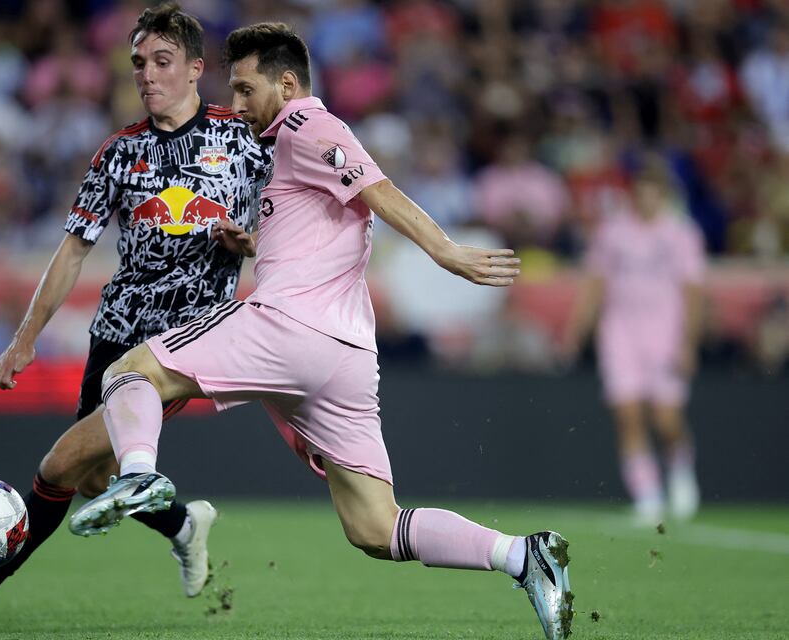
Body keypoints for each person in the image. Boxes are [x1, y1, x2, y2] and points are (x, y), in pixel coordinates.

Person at [68, 23, 572, 640]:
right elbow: (328, 223)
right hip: (345, 354)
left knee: (130, 373)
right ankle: (524, 556)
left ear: (287, 82)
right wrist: (254, 243)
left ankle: (139, 474)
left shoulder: (310, 124)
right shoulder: (285, 144)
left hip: (288, 328)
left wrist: (446, 252)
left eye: (248, 90)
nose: (239, 104)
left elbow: (378, 189)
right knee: (374, 528)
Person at [0, 4, 270, 631]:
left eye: (162, 62)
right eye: (138, 64)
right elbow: (73, 249)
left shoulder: (243, 140)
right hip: (114, 334)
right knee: (95, 477)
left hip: (175, 346)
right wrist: (24, 340)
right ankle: (184, 523)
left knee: (60, 465)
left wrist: (254, 239)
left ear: (196, 69)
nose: (147, 75)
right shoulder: (119, 152)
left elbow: (288, 216)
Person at [563, 159, 705, 524]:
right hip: (620, 331)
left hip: (665, 332)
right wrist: (578, 330)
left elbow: (692, 290)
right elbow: (595, 283)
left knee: (667, 418)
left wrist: (689, 342)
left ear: (664, 196)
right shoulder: (613, 233)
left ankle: (680, 472)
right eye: (640, 192)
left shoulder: (681, 233)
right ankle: (648, 495)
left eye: (653, 193)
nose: (646, 199)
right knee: (627, 415)